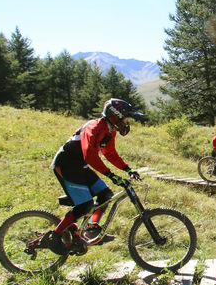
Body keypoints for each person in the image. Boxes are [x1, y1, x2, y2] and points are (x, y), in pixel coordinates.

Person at [40, 98, 143, 254]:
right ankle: (55, 235)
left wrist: (128, 170)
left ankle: (92, 228)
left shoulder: (109, 131)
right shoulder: (94, 127)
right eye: (124, 118)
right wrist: (111, 175)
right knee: (85, 205)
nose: (125, 122)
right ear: (114, 115)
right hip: (66, 165)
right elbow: (90, 156)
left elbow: (110, 154)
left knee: (106, 194)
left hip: (80, 166)